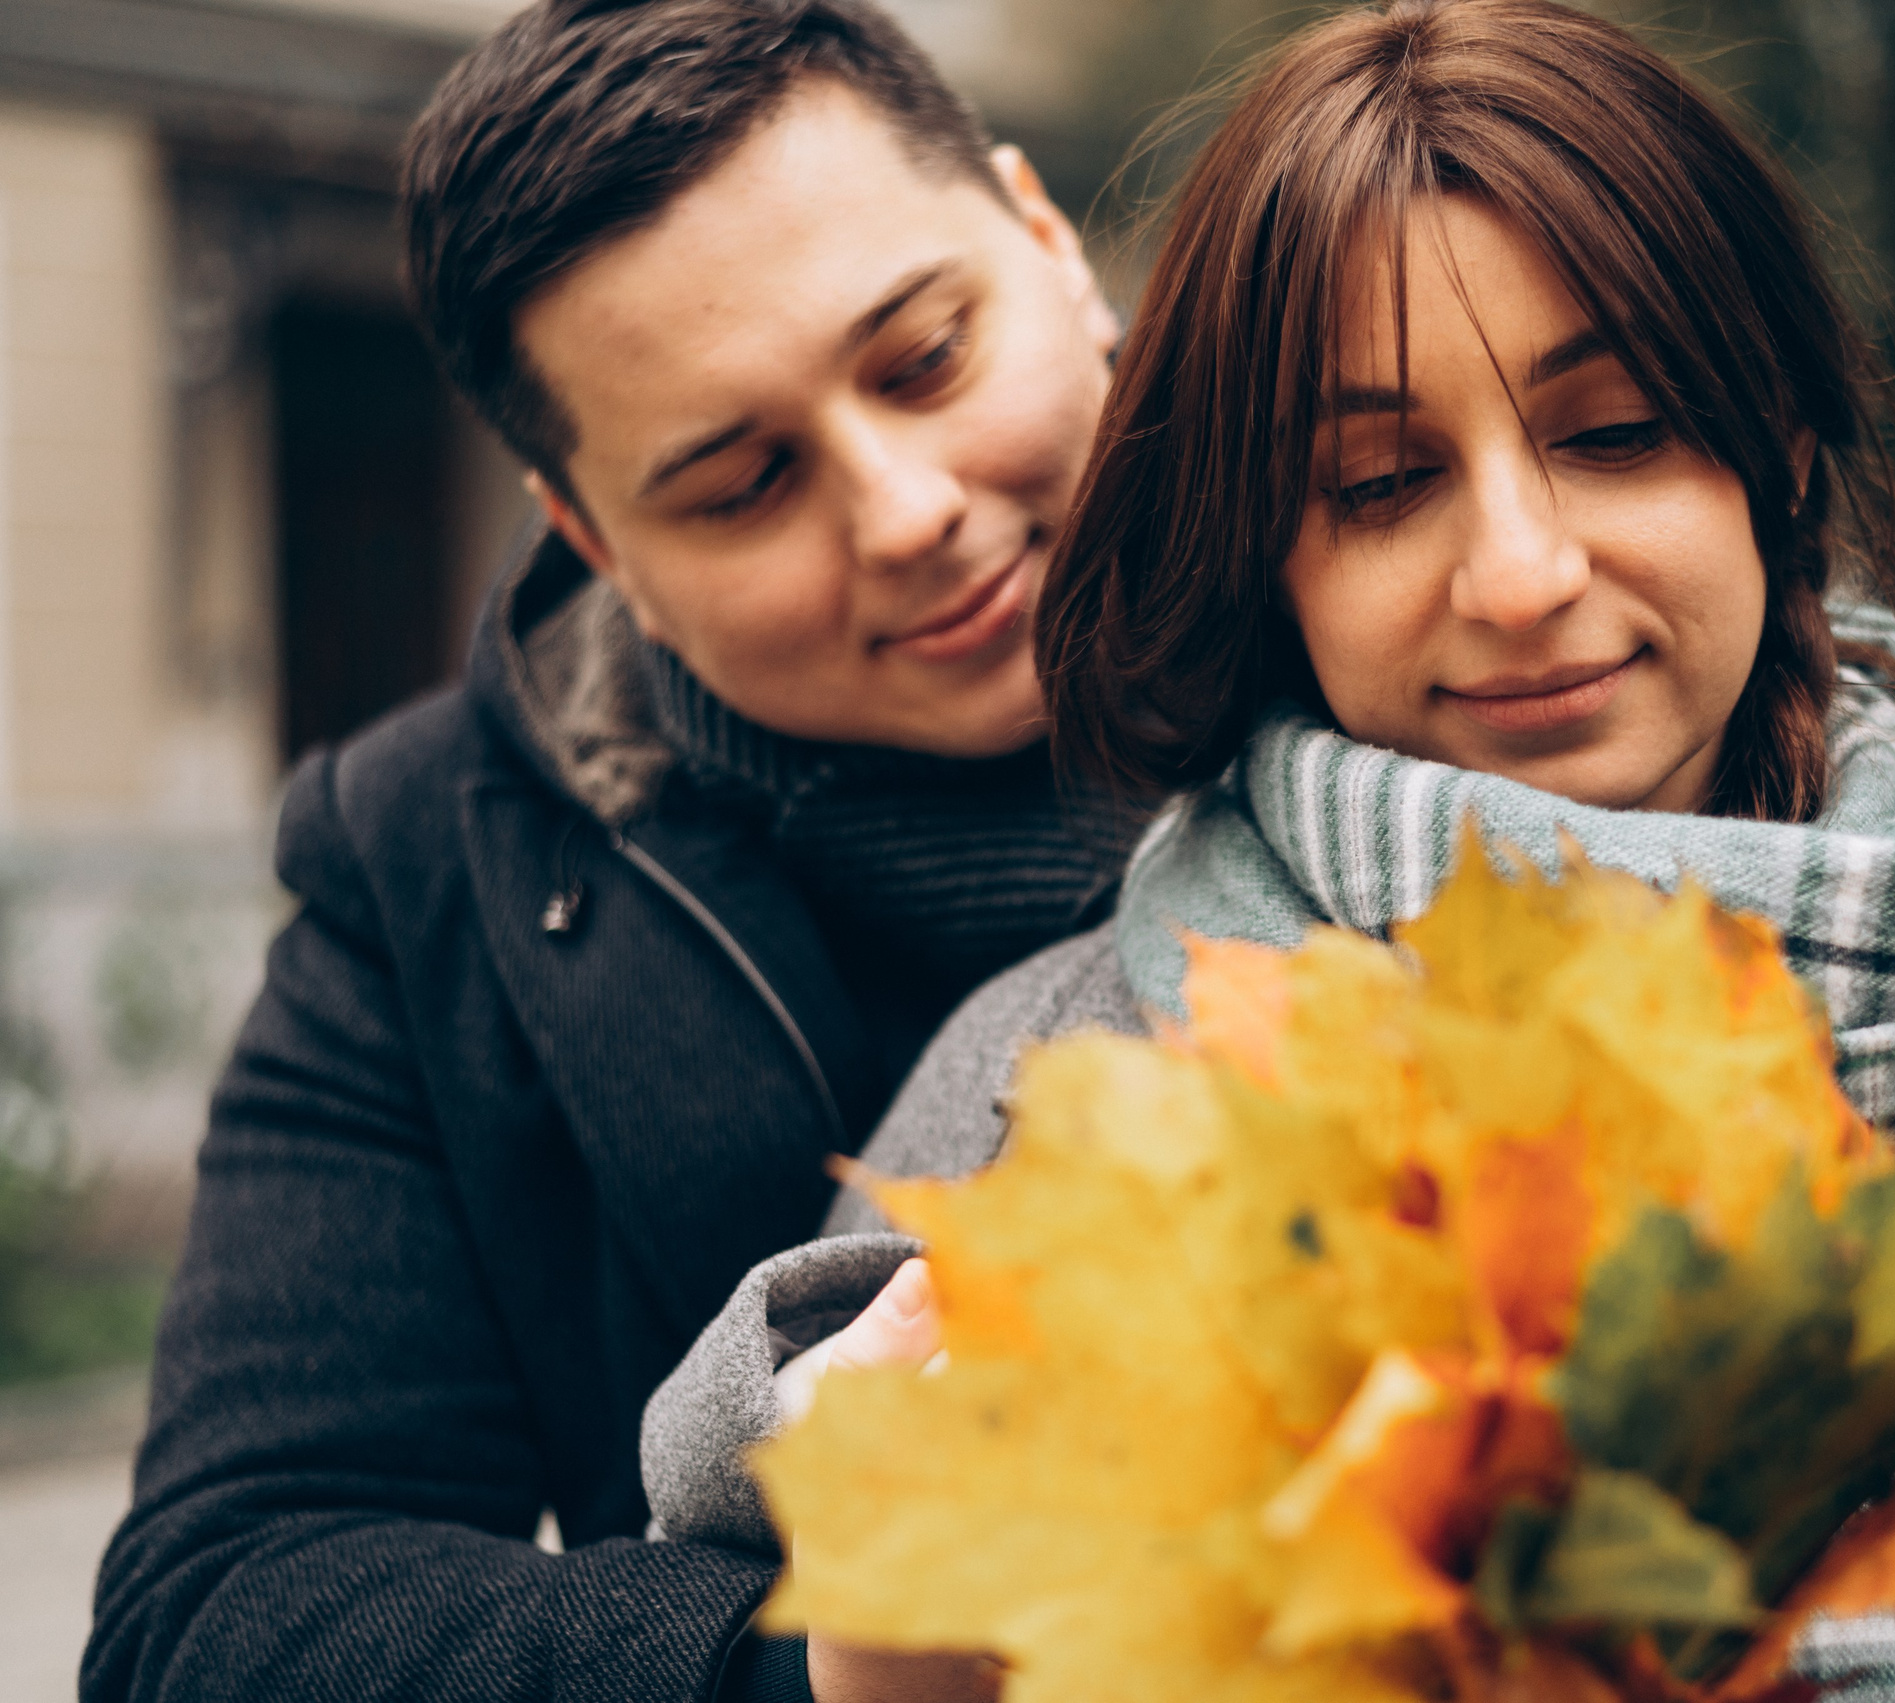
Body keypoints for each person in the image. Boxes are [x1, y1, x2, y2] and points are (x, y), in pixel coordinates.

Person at [640, 3, 1895, 1699]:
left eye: (1615, 434)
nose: (1520, 574)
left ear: (1778, 455)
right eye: (1381, 481)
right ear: (1267, 558)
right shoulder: (1036, 1093)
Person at [83, 3, 1129, 1700]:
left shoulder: (1471, 611)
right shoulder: (427, 872)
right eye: (738, 483)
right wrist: (804, 1675)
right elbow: (214, 1614)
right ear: (595, 539)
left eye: (926, 357)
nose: (904, 507)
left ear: (1047, 238)